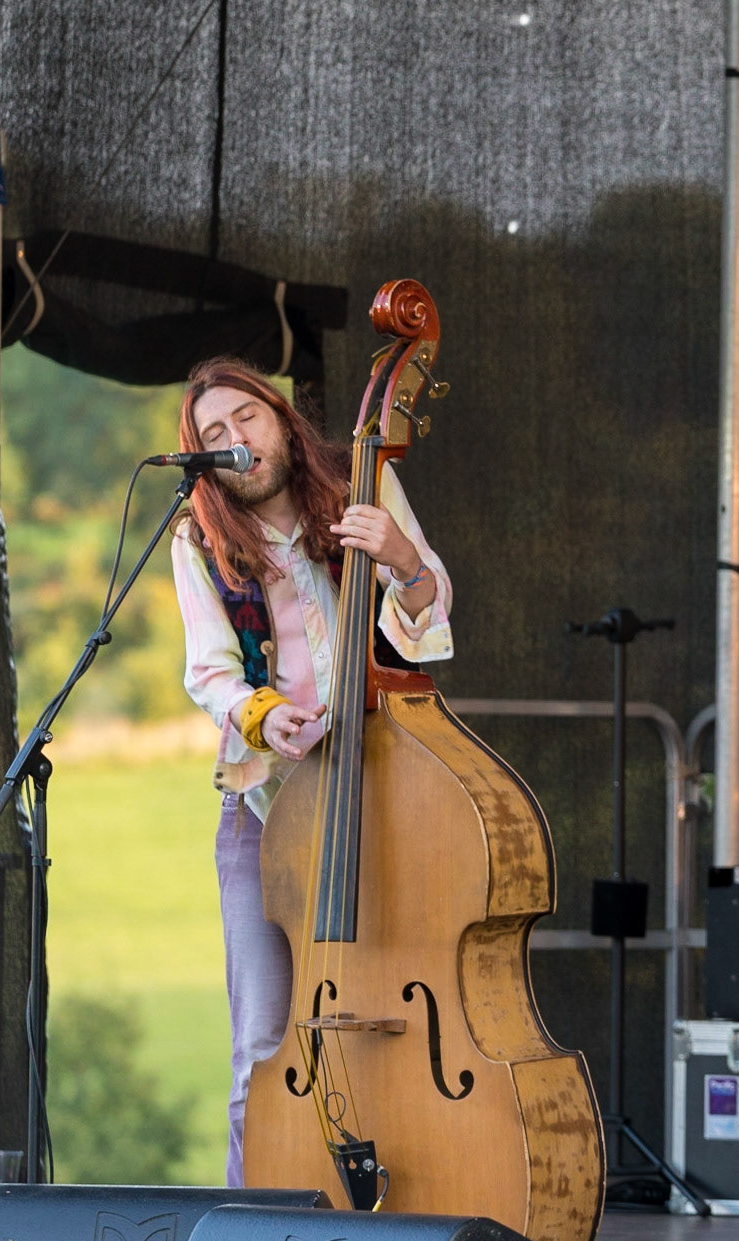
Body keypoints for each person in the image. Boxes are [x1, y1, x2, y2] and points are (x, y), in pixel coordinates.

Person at [170, 357, 453, 1186]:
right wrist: (263, 713)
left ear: (280, 416)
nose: (236, 442)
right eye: (213, 436)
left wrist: (403, 557)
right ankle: (249, 1238)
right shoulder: (199, 535)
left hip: (383, 795)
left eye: (245, 420)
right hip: (263, 804)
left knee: (389, 1024)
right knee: (262, 1044)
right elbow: (209, 671)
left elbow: (432, 620)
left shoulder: (363, 487)